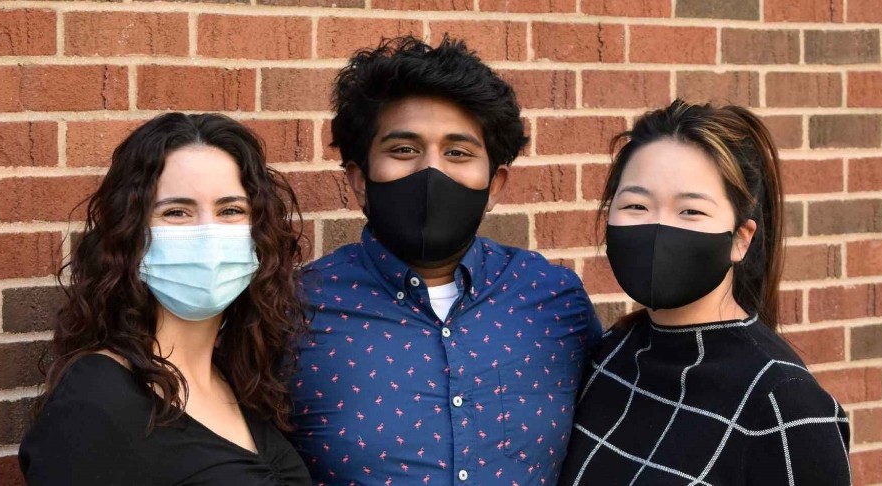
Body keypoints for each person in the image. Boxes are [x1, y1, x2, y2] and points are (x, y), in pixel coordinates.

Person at [289, 36, 604, 485]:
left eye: (458, 153)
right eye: (403, 150)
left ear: (495, 185)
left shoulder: (554, 298)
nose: (430, 171)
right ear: (359, 181)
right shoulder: (293, 310)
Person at [559, 100, 851, 485]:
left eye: (690, 211)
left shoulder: (784, 404)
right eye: (636, 205)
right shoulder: (609, 353)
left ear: (740, 240)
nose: (658, 228)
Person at [19, 113, 312, 485]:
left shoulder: (241, 380)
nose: (209, 234)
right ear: (131, 236)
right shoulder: (97, 397)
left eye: (231, 210)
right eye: (177, 212)